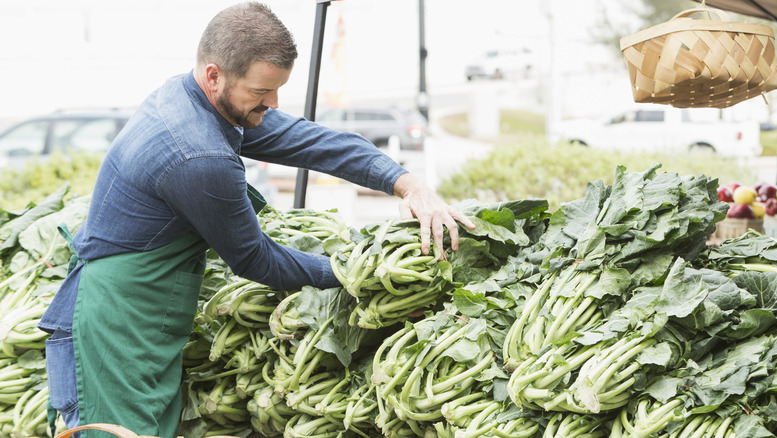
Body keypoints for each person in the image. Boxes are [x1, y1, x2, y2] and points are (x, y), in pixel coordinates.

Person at [38, 2, 474, 437]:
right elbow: (257, 260)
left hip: (147, 309)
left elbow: (312, 141)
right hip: (118, 322)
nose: (273, 103)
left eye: (277, 90)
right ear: (214, 75)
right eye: (262, 93)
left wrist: (406, 183)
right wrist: (362, 273)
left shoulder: (202, 98)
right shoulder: (198, 153)